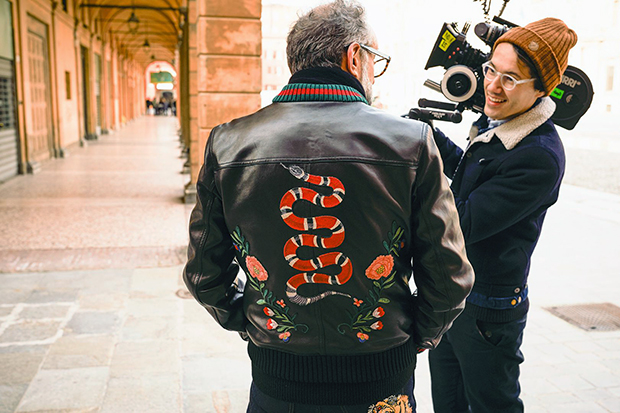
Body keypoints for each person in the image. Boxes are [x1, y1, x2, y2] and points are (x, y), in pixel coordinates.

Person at [183, 1, 474, 411]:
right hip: (379, 381)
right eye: (377, 60)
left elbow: (203, 274)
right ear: (355, 58)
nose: (376, 72)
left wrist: (256, 324)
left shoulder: (229, 142)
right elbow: (449, 279)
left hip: (276, 381)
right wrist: (410, 337)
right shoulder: (410, 142)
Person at [427, 18, 578, 413]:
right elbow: (473, 175)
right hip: (456, 295)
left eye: (510, 79)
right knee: (448, 402)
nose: (492, 86)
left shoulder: (539, 155)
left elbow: (464, 221)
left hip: (488, 309)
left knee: (493, 405)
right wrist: (427, 136)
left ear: (543, 88)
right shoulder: (502, 120)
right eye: (491, 69)